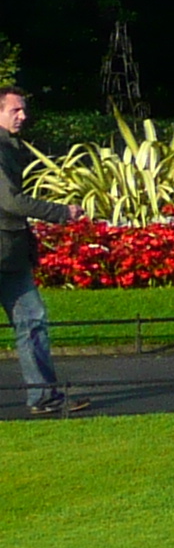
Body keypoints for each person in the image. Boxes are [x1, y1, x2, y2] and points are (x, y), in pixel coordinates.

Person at [0, 87, 78, 413]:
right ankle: (43, 395)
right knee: (31, 322)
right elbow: (10, 201)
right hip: (5, 251)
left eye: (23, 110)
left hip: (11, 254)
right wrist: (61, 212)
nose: (23, 116)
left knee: (32, 321)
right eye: (14, 110)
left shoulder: (10, 147)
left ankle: (44, 396)